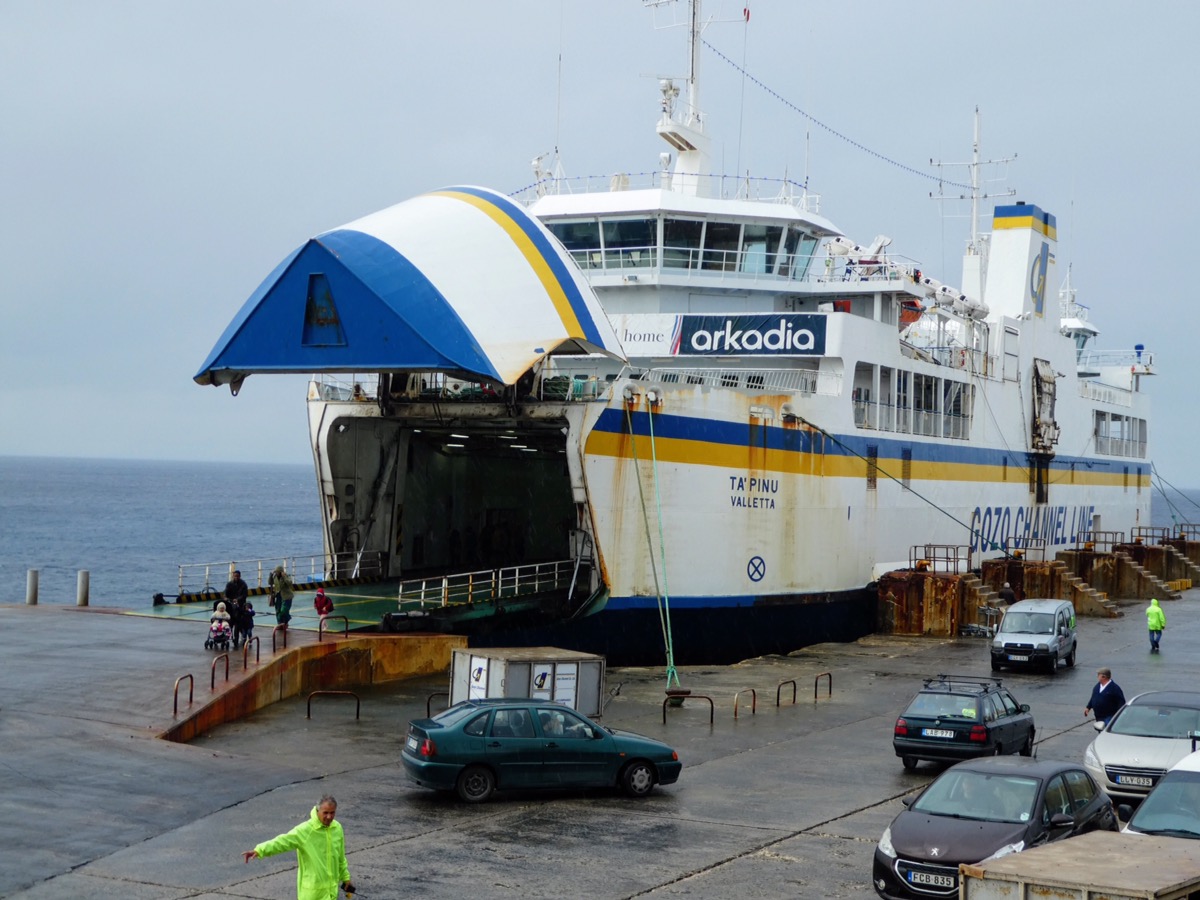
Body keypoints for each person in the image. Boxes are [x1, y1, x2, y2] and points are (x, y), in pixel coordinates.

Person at [243, 794, 353, 900]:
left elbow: (340, 858)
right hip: (312, 893)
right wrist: (260, 850)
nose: (329, 817)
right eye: (325, 813)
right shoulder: (306, 830)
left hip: (331, 893)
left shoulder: (337, 828)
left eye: (332, 813)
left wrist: (346, 878)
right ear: (317, 810)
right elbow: (283, 842)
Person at [269, 565, 295, 630]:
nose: (276, 573)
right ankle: (280, 624)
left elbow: (290, 583)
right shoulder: (275, 577)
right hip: (278, 596)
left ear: (281, 572)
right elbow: (270, 582)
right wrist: (270, 575)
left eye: (277, 572)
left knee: (283, 611)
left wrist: (284, 577)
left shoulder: (286, 576)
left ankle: (285, 622)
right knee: (277, 610)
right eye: (275, 572)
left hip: (286, 596)